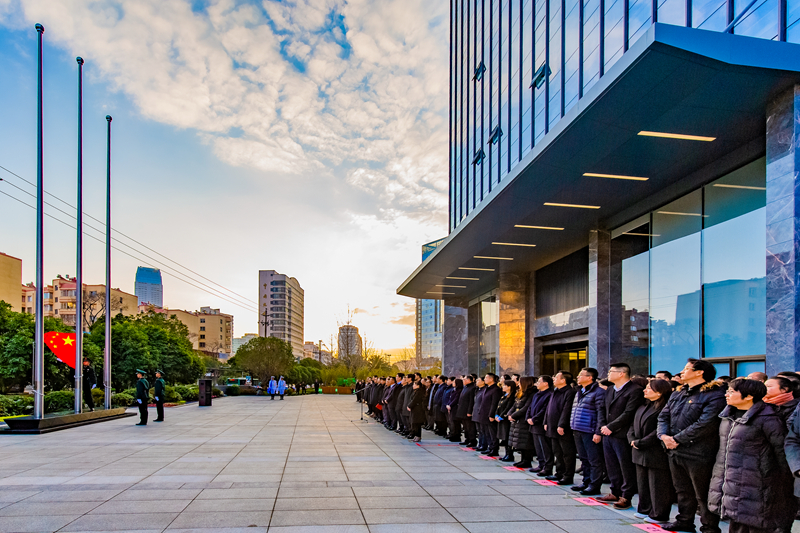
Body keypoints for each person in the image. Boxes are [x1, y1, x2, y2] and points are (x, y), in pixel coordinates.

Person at [709, 378, 796, 533]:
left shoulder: (769, 418)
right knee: (736, 522)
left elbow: (781, 453)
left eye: (731, 391)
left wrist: (783, 484)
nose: (726, 395)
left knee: (756, 524)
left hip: (758, 485)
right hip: (731, 483)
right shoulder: (728, 416)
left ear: (749, 396)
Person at [657, 358, 726, 533]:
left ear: (699, 372)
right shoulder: (678, 393)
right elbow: (663, 416)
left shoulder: (714, 394)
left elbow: (706, 423)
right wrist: (664, 436)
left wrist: (677, 439)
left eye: (687, 368)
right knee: (682, 490)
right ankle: (684, 521)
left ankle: (709, 527)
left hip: (698, 452)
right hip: (674, 450)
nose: (682, 371)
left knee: (702, 493)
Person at [597, 362, 644, 510]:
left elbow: (629, 413)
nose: (608, 374)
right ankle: (614, 491)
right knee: (611, 465)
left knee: (625, 466)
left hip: (622, 434)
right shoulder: (610, 389)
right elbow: (602, 408)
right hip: (607, 434)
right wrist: (603, 426)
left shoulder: (635, 390)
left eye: (611, 371)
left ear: (621, 373)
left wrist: (611, 427)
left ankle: (626, 496)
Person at [629, 378, 674, 525]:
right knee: (642, 483)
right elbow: (632, 425)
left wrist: (642, 442)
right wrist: (632, 438)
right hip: (638, 449)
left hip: (654, 451)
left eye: (649, 388)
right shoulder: (643, 405)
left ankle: (659, 513)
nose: (644, 390)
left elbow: (658, 430)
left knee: (658, 484)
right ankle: (644, 508)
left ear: (660, 392)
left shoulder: (665, 407)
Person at [570, 367, 605, 495]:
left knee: (594, 459)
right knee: (584, 458)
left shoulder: (598, 392)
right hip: (578, 428)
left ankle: (594, 485)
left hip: (590, 430)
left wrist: (598, 432)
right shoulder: (579, 390)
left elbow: (600, 413)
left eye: (581, 375)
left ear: (590, 377)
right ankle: (586, 481)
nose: (578, 377)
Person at [545, 370, 576, 485]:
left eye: (556, 377)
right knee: (557, 452)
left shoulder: (569, 392)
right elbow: (549, 408)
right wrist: (546, 421)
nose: (553, 379)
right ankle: (559, 472)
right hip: (552, 426)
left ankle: (568, 475)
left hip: (563, 428)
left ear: (563, 380)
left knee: (567, 453)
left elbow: (566, 410)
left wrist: (561, 424)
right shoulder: (555, 391)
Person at [508, 376, 536, 468]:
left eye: (520, 382)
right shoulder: (520, 393)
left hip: (524, 420)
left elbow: (526, 407)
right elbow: (514, 405)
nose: (518, 384)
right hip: (518, 420)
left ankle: (527, 460)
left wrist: (514, 415)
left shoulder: (531, 393)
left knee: (526, 441)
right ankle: (522, 459)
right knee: (520, 441)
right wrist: (510, 414)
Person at [528, 375, 554, 475]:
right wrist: (529, 417)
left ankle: (547, 467)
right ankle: (541, 464)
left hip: (541, 424)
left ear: (546, 383)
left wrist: (534, 419)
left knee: (545, 447)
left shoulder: (549, 394)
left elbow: (545, 410)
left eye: (539, 382)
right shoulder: (536, 394)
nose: (537, 384)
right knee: (538, 446)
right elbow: (530, 407)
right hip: (533, 423)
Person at [479, 374, 503, 456]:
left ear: (491, 379)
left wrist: (492, 415)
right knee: (487, 433)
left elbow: (494, 403)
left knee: (492, 433)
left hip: (490, 415)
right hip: (484, 414)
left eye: (486, 378)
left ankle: (494, 449)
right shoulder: (487, 388)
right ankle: (490, 448)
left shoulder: (496, 389)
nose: (484, 379)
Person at [495, 380, 517, 461]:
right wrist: (496, 415)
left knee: (507, 437)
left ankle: (509, 454)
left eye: (504, 385)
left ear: (509, 387)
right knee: (504, 437)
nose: (503, 387)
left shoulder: (512, 396)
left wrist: (501, 416)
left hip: (505, 420)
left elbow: (508, 407)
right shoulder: (504, 395)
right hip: (500, 419)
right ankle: (506, 454)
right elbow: (499, 406)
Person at [457, 375, 478, 447]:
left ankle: (472, 440)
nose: (463, 380)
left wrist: (469, 411)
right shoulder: (465, 387)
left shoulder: (472, 388)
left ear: (469, 380)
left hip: (467, 411)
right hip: (462, 410)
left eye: (464, 379)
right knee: (465, 427)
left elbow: (471, 401)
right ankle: (467, 439)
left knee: (470, 427)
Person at [473, 376, 488, 450]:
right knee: (479, 430)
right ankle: (480, 444)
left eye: (478, 380)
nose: (476, 381)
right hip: (476, 412)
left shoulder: (485, 390)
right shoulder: (478, 390)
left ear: (483, 382)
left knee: (483, 430)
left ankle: (483, 445)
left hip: (481, 412)